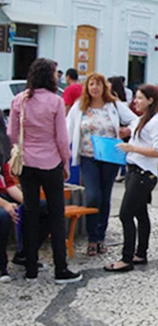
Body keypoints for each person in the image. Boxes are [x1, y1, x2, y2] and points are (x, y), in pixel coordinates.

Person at [9, 58, 82, 284]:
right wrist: (66, 163)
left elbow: (12, 134)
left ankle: (30, 267)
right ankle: (61, 268)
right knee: (56, 215)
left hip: (27, 165)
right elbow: (61, 137)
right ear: (49, 75)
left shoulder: (19, 100)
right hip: (50, 163)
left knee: (29, 213)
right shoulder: (55, 101)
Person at [67, 72, 137, 256]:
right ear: (87, 87)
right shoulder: (79, 107)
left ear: (103, 87)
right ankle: (91, 236)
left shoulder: (113, 105)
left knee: (105, 197)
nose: (94, 88)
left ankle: (100, 237)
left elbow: (135, 119)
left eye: (98, 84)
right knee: (93, 196)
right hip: (88, 157)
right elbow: (67, 130)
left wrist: (127, 130)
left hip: (109, 157)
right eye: (91, 84)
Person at [104, 85, 158, 272]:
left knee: (125, 214)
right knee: (140, 214)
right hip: (133, 171)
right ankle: (141, 253)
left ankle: (126, 258)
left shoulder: (156, 123)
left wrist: (133, 148)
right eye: (136, 98)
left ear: (150, 100)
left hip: (144, 174)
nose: (136, 101)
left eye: (139, 98)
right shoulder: (140, 120)